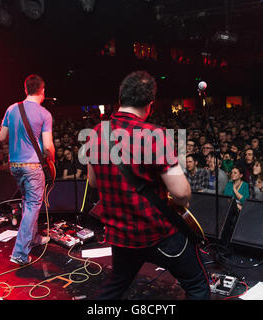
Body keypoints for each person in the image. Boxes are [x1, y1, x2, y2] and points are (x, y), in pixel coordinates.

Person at [86, 71, 210, 300]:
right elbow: (181, 194)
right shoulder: (154, 135)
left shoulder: (95, 133)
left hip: (121, 235)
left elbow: (93, 182)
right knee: (197, 286)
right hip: (157, 233)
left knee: (115, 286)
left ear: (120, 98)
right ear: (150, 105)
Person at [0, 74, 55, 266]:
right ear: (42, 91)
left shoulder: (11, 109)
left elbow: (1, 137)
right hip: (33, 166)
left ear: (25, 89)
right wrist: (52, 158)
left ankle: (34, 237)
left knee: (27, 201)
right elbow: (47, 147)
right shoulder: (44, 113)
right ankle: (20, 253)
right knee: (32, 205)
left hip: (14, 165)